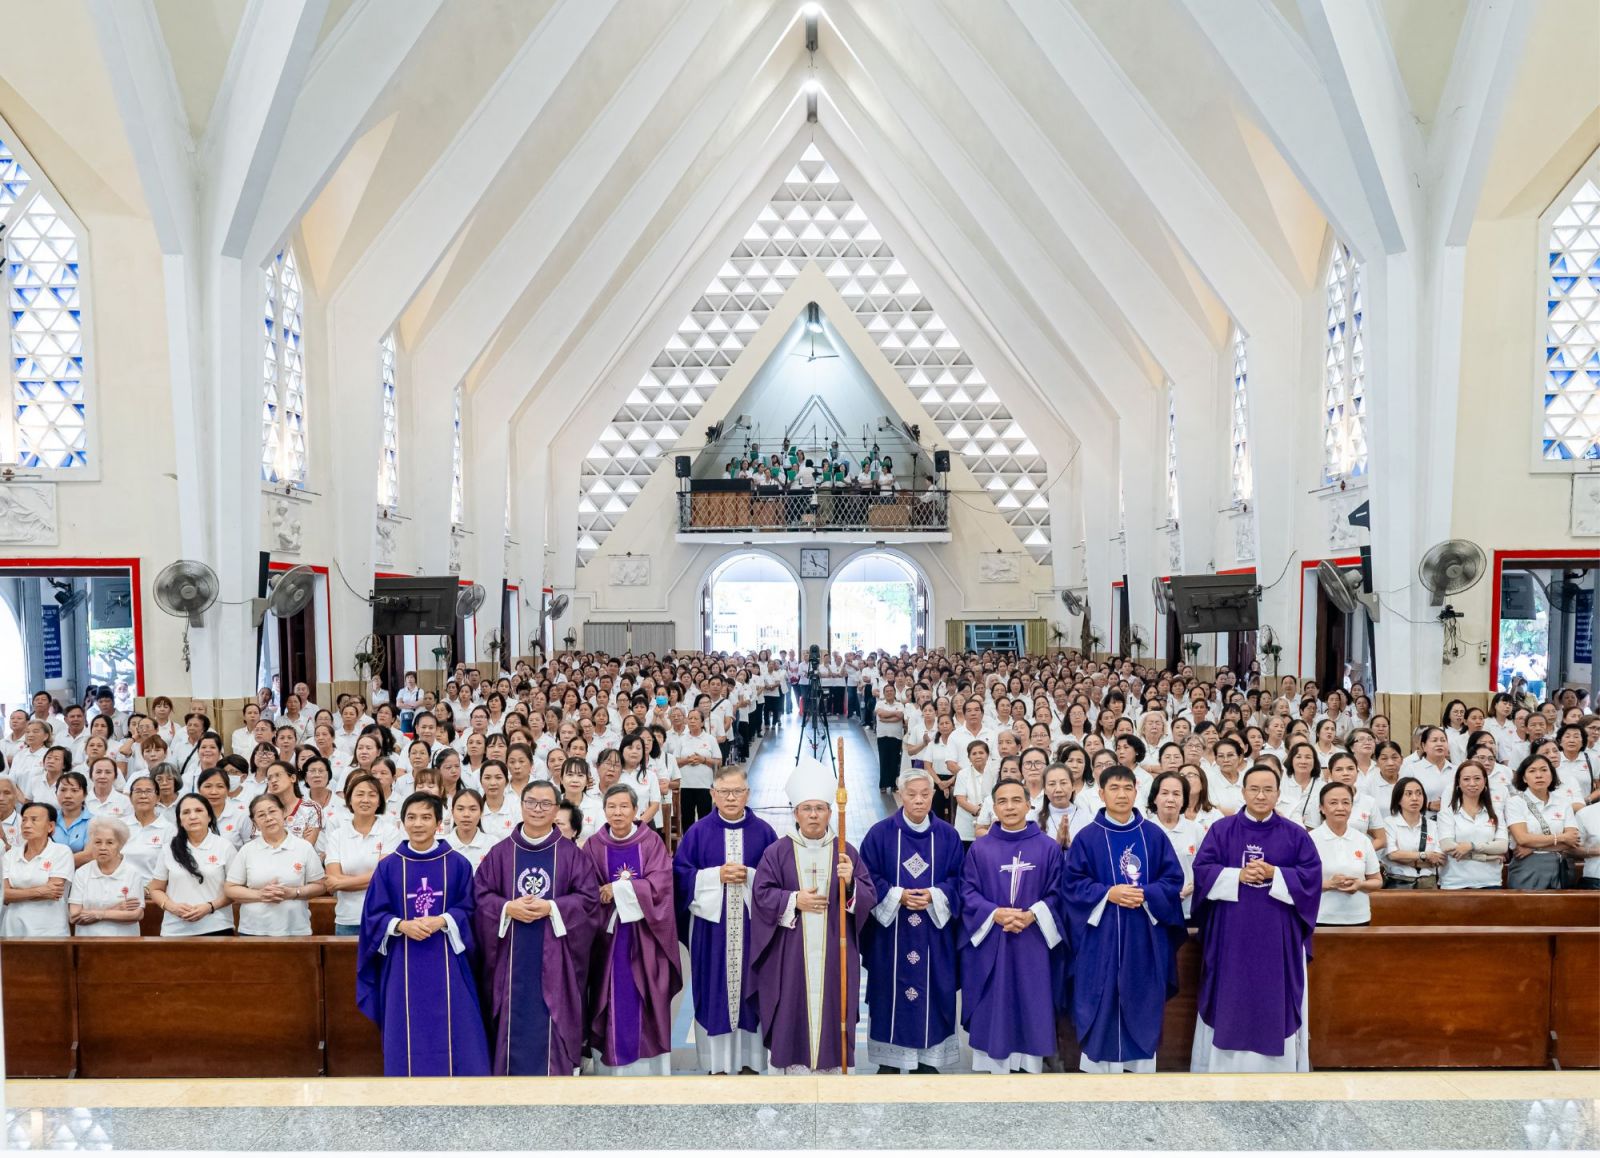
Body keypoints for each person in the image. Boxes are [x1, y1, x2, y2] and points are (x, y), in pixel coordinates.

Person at [1189, 765, 1321, 1073]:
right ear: (1243, 792)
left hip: (1277, 936)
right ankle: (1223, 1071)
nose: (1261, 796)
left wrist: (1277, 874)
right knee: (1230, 996)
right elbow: (1203, 871)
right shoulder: (1222, 830)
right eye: (1254, 789)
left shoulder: (1295, 834)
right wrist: (1236, 875)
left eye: (1268, 790)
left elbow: (1311, 878)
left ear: (1278, 794)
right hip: (1231, 935)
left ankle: (1276, 1072)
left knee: (1272, 997)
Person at [749, 756, 876, 1074]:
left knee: (834, 1007)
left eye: (820, 808)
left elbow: (868, 898)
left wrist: (851, 884)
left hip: (835, 950)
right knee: (792, 1007)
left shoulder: (846, 852)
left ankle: (833, 1073)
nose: (814, 815)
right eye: (807, 808)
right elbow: (761, 895)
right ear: (796, 813)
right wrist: (794, 900)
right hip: (790, 954)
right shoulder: (777, 852)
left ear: (830, 813)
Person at [1062, 766, 1186, 1073]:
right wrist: (1108, 893)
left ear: (1136, 792)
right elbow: (1072, 884)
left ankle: (1139, 1071)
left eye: (1127, 788)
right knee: (1102, 999)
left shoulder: (1153, 835)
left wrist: (1145, 893)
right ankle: (1099, 1074)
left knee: (1141, 998)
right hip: (1100, 939)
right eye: (1114, 788)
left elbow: (1173, 880)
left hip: (1144, 937)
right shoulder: (1087, 838)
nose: (1121, 794)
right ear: (1101, 794)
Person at [357, 792, 491, 1076]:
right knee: (405, 1023)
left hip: (448, 958)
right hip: (402, 960)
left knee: (458, 1023)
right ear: (402, 822)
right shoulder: (389, 866)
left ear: (438, 823)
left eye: (426, 817)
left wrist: (442, 920)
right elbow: (372, 915)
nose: (418, 824)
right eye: (412, 817)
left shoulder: (457, 864)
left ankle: (461, 1084)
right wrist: (401, 925)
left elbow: (470, 909)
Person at [473, 780, 601, 1076]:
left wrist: (552, 908)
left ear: (556, 809)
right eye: (531, 802)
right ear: (521, 806)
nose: (537, 809)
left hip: (556, 958)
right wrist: (507, 908)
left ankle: (555, 1076)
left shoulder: (570, 854)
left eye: (545, 804)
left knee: (551, 1015)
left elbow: (588, 900)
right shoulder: (500, 853)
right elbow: (480, 896)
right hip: (510, 957)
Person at [671, 765, 779, 1075]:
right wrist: (714, 876)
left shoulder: (765, 832)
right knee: (713, 989)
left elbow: (778, 880)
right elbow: (679, 877)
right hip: (711, 930)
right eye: (724, 792)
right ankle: (715, 1063)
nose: (731, 798)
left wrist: (751, 876)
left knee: (751, 989)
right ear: (712, 794)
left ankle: (751, 1060)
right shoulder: (697, 832)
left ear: (748, 794)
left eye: (737, 791)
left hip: (751, 930)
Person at [859, 768, 964, 1074]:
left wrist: (934, 895)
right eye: (912, 794)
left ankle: (928, 1062)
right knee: (889, 992)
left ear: (933, 795)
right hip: (891, 934)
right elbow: (866, 876)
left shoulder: (948, 835)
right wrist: (898, 896)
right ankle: (890, 1062)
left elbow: (960, 879)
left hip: (934, 934)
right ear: (900, 795)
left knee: (934, 991)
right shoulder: (879, 834)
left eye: (925, 794)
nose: (919, 800)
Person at [959, 776, 1066, 1074]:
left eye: (1016, 800)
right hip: (993, 939)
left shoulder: (1048, 848)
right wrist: (994, 913)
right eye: (1002, 801)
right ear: (993, 808)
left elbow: (1059, 893)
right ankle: (992, 1065)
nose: (1010, 807)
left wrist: (1033, 914)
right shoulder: (980, 849)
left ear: (1029, 805)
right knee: (995, 998)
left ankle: (1029, 1065)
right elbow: (967, 892)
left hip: (1034, 941)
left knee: (1032, 997)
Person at [582, 782, 681, 1075]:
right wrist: (602, 894)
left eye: (624, 806)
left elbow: (662, 885)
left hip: (645, 936)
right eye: (611, 806)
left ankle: (648, 1070)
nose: (618, 812)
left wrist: (619, 889)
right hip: (608, 938)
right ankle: (613, 1067)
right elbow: (585, 888)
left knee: (646, 996)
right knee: (610, 996)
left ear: (636, 810)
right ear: (604, 810)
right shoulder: (594, 845)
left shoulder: (650, 843)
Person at [224, 795, 327, 935]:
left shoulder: (304, 847)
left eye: (272, 811)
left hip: (295, 929)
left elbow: (320, 886)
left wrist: (294, 893)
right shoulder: (247, 850)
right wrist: (260, 895)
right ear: (254, 822)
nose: (268, 818)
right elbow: (230, 888)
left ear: (283, 812)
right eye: (261, 815)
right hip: (253, 930)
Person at [149, 793, 235, 936]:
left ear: (209, 816)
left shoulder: (225, 847)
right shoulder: (168, 849)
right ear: (180, 821)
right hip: (175, 930)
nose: (193, 816)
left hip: (217, 927)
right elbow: (155, 889)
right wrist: (172, 907)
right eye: (186, 812)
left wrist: (210, 907)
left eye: (199, 810)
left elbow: (235, 889)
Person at [323, 774, 398, 936]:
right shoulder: (337, 835)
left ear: (379, 801)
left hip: (383, 917)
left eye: (372, 795)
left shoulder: (390, 832)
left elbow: (385, 876)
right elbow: (332, 878)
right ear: (349, 800)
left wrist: (341, 883)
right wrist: (373, 879)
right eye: (360, 794)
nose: (365, 800)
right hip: (347, 918)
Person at [1309, 783, 1382, 926]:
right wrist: (1330, 884)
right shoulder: (1310, 840)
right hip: (1320, 917)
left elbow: (1377, 881)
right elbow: (1300, 883)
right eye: (1333, 803)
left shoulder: (1362, 840)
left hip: (1359, 918)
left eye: (1346, 802)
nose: (1340, 808)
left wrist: (1360, 884)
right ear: (1321, 808)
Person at [1505, 754, 1580, 889]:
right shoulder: (1515, 802)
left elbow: (1572, 841)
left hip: (1558, 867)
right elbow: (1522, 838)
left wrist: (1534, 847)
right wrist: (1561, 837)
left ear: (1552, 775)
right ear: (1524, 778)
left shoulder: (1564, 803)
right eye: (1532, 771)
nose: (1539, 775)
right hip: (1527, 866)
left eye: (1544, 770)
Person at [2, 801, 73, 936]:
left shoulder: (61, 852)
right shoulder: (10, 855)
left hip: (50, 931)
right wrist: (40, 891)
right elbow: (4, 896)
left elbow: (53, 892)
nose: (27, 825)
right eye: (24, 820)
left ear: (50, 826)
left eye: (34, 820)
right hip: (12, 930)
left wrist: (15, 893)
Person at [68, 817, 145, 936]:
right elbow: (74, 916)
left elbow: (136, 915)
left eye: (110, 842)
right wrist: (117, 909)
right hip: (87, 941)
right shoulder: (82, 873)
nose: (103, 847)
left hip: (124, 941)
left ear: (120, 845)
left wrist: (99, 914)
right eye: (97, 842)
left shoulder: (133, 873)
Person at [1437, 762, 1507, 890]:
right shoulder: (1447, 812)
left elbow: (1502, 846)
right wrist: (1485, 857)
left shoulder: (1495, 812)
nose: (1472, 783)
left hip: (1490, 881)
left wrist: (1471, 846)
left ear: (1485, 781)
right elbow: (1447, 846)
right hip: (1454, 882)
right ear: (1458, 782)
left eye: (1477, 778)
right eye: (1466, 779)